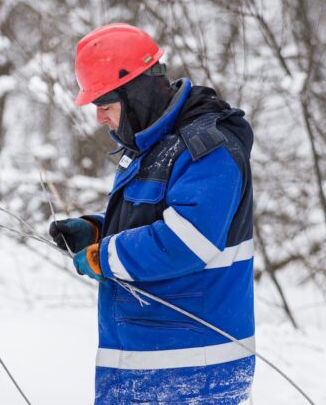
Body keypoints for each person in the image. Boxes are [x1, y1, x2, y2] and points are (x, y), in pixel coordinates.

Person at [49, 23, 256, 404]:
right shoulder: (156, 145)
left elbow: (185, 242)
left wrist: (105, 255)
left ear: (137, 94)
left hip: (191, 373)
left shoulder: (207, 150)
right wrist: (97, 232)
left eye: (106, 105)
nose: (100, 119)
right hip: (153, 364)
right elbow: (154, 217)